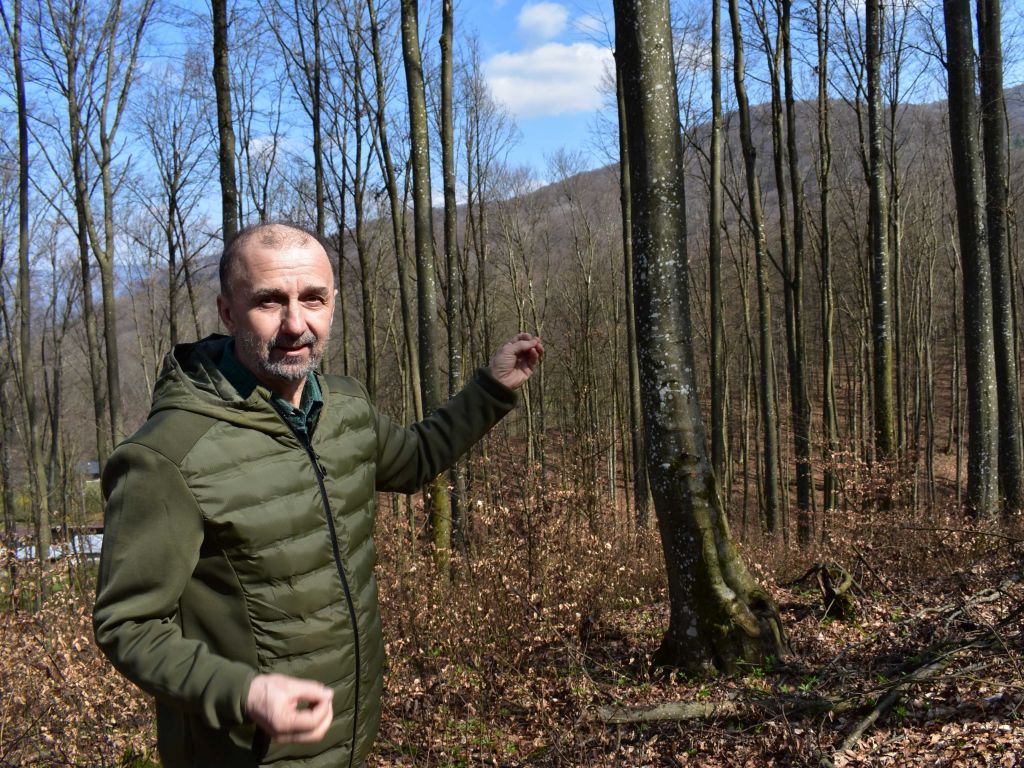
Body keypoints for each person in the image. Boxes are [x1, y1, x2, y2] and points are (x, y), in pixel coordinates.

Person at [93, 222, 543, 768]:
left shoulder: (345, 408)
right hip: (244, 753)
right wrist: (245, 693)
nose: (295, 323)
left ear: (333, 303)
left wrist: (492, 388)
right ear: (228, 312)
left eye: (313, 299)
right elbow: (129, 624)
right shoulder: (167, 456)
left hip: (348, 733)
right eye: (269, 301)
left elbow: (416, 460)